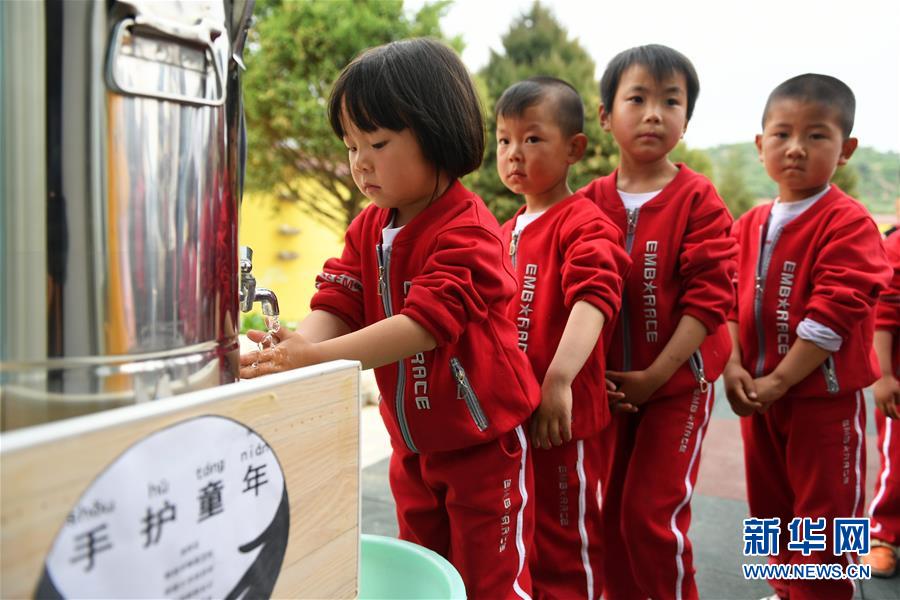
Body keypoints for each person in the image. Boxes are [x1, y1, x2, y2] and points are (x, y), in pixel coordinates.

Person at [240, 38, 540, 599]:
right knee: (420, 568)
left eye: (377, 142)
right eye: (351, 145)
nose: (360, 162)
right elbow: (339, 300)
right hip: (413, 446)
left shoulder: (469, 232)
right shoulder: (368, 228)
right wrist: (292, 350)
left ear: (437, 134)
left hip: (482, 445)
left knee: (490, 582)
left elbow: (424, 324)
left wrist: (315, 357)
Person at [579, 44, 737, 600]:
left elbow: (709, 300)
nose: (653, 113)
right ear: (605, 116)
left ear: (686, 120)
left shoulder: (699, 200)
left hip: (675, 388)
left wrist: (654, 377)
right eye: (637, 98)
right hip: (611, 392)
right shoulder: (587, 202)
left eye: (671, 102)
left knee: (651, 516)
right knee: (606, 517)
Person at [724, 73, 891, 600]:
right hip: (760, 398)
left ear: (846, 149)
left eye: (817, 135)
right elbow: (725, 297)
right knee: (770, 508)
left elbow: (832, 316)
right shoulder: (748, 222)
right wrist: (732, 367)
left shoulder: (848, 222)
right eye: (781, 134)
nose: (795, 148)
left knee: (827, 516)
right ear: (760, 144)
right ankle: (786, 590)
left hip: (821, 401)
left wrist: (778, 380)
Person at [495, 77, 631, 599]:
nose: (514, 154)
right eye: (504, 140)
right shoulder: (507, 227)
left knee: (565, 542)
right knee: (524, 537)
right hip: (516, 418)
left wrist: (559, 379)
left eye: (532, 139)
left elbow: (595, 298)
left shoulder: (583, 222)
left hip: (562, 420)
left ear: (575, 148)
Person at [863, 230, 900, 578]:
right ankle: (881, 536)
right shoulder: (897, 244)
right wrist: (884, 375)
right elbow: (883, 313)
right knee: (898, 466)